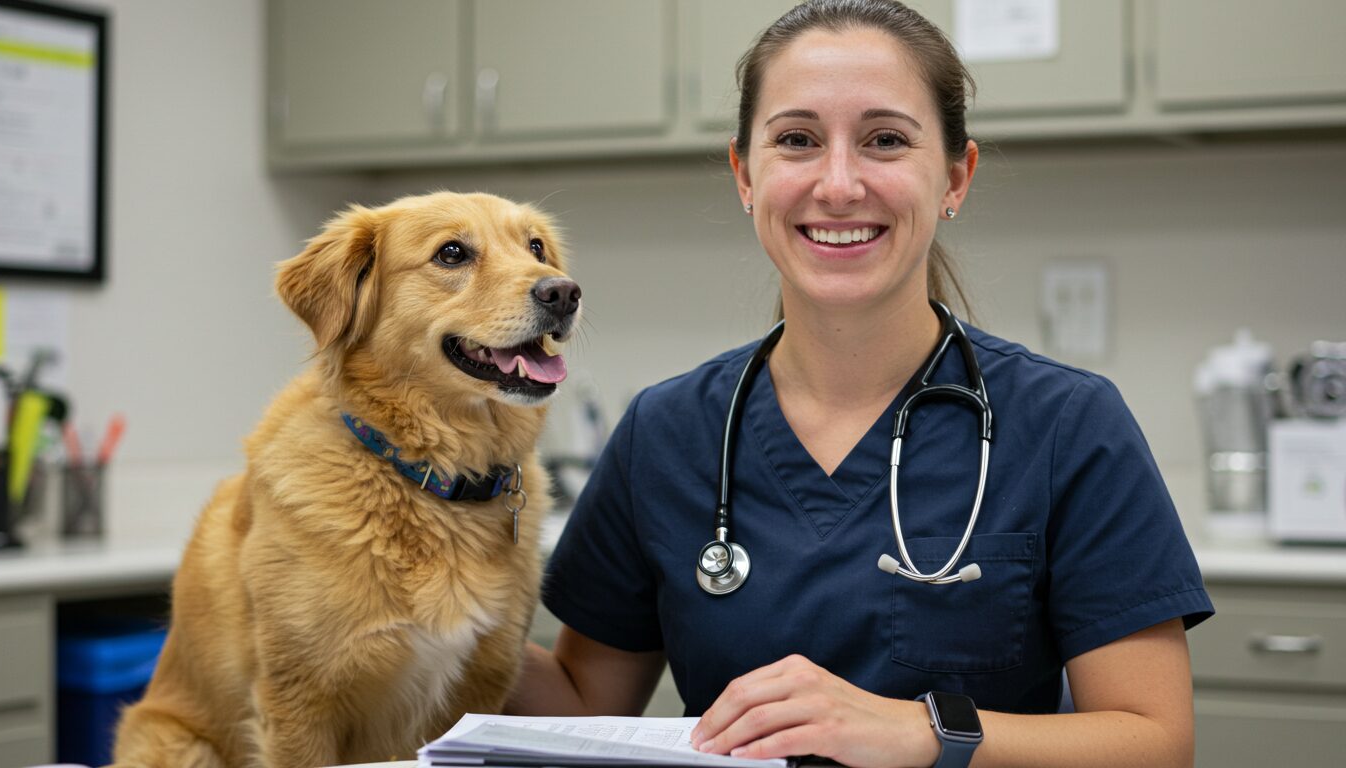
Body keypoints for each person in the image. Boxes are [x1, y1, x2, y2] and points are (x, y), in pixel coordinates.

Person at [506, 2, 1213, 766]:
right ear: (745, 174)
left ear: (955, 176)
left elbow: (1155, 742)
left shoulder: (1066, 425)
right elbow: (583, 703)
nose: (838, 185)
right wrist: (401, 598)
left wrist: (918, 731)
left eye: (884, 140)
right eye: (798, 140)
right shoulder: (668, 432)